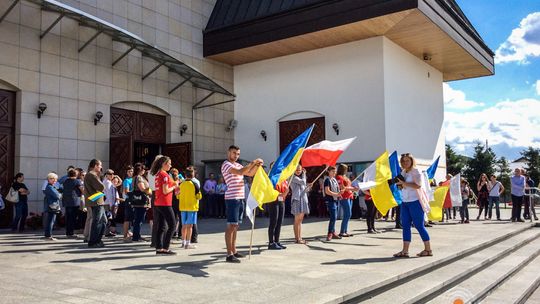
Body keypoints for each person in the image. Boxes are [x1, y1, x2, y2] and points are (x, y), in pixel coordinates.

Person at [221, 145, 262, 263]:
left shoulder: (238, 164)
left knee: (236, 226)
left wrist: (257, 165)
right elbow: (240, 172)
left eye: (238, 154)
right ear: (229, 152)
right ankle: (229, 254)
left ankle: (234, 250)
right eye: (234, 153)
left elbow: (250, 173)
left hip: (240, 197)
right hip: (232, 198)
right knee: (231, 226)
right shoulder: (226, 164)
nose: (236, 155)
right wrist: (252, 162)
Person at [393, 153, 432, 258]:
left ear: (412, 161)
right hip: (405, 202)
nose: (405, 163)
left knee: (419, 225)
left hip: (415, 202)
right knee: (405, 226)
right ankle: (405, 251)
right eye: (403, 161)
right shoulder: (403, 171)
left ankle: (428, 249)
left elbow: (418, 185)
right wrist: (399, 185)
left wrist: (404, 183)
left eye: (407, 161)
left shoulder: (416, 171)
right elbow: (404, 186)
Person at [150, 156, 179, 255]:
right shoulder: (164, 175)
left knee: (161, 226)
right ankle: (166, 248)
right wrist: (175, 185)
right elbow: (165, 190)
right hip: (165, 203)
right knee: (172, 225)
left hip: (158, 202)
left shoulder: (158, 174)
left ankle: (159, 248)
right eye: (169, 164)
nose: (170, 166)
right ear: (164, 164)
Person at [84, 159, 107, 248]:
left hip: (97, 200)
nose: (101, 167)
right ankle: (93, 241)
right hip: (95, 201)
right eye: (100, 165)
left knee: (103, 221)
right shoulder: (91, 175)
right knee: (97, 221)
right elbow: (101, 187)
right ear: (95, 165)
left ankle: (97, 240)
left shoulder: (92, 175)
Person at [267, 161, 289, 250]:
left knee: (280, 221)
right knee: (274, 221)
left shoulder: (282, 178)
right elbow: (269, 189)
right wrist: (279, 194)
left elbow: (286, 189)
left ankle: (277, 241)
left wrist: (285, 193)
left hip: (281, 201)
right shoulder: (271, 177)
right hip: (273, 201)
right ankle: (271, 242)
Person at [178, 167, 202, 249]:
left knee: (183, 225)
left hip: (182, 206)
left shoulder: (181, 184)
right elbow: (199, 196)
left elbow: (177, 196)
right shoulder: (195, 184)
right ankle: (188, 243)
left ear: (185, 175)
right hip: (192, 207)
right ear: (193, 175)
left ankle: (183, 242)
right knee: (190, 226)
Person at [290, 165, 310, 244]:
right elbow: (303, 182)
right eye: (297, 170)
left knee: (300, 221)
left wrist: (308, 188)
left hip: (303, 199)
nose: (299, 171)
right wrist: (304, 174)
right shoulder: (292, 177)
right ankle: (297, 238)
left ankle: (299, 237)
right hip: (297, 200)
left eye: (300, 170)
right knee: (297, 220)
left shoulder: (301, 178)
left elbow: (303, 189)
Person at [131, 163, 151, 242]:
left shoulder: (135, 177)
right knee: (139, 219)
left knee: (138, 219)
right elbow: (142, 189)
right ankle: (136, 236)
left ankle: (137, 235)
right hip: (140, 201)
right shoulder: (139, 177)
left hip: (138, 201)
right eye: (143, 169)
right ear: (140, 170)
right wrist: (150, 191)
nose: (144, 170)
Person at [62, 169, 83, 238]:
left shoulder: (65, 181)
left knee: (68, 217)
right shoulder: (77, 181)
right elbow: (82, 190)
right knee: (73, 217)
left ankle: (68, 232)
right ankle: (71, 233)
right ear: (76, 174)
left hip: (66, 201)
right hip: (74, 201)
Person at [324, 166, 343, 241]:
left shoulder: (334, 180)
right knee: (333, 217)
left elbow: (337, 190)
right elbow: (327, 191)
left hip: (336, 200)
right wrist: (336, 194)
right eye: (333, 171)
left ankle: (333, 232)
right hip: (330, 200)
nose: (334, 173)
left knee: (334, 217)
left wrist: (339, 194)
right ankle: (330, 233)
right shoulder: (327, 180)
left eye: (335, 171)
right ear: (328, 171)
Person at [336, 164, 356, 237]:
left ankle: (345, 231)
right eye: (346, 169)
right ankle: (342, 232)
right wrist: (352, 189)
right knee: (347, 214)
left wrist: (353, 189)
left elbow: (348, 186)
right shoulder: (339, 177)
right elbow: (342, 187)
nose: (347, 170)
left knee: (348, 214)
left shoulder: (345, 177)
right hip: (344, 197)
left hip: (350, 196)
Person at [43, 173, 61, 241]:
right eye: (53, 179)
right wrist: (59, 194)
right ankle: (48, 236)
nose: (55, 180)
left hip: (50, 205)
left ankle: (47, 235)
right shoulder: (50, 187)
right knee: (51, 221)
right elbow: (58, 196)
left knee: (49, 220)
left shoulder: (48, 186)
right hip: (52, 205)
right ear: (49, 179)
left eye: (56, 179)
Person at [102, 169, 119, 237]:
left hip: (107, 202)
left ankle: (107, 231)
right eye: (110, 174)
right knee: (108, 217)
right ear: (106, 175)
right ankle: (106, 232)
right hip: (108, 203)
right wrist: (112, 204)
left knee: (108, 217)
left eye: (113, 174)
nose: (112, 175)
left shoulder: (106, 181)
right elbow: (109, 195)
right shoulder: (108, 182)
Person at [121, 165, 134, 242]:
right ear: (126, 172)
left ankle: (129, 232)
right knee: (127, 218)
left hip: (133, 200)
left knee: (131, 219)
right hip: (128, 200)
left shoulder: (133, 179)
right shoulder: (126, 181)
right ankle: (125, 236)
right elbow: (126, 191)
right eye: (129, 171)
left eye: (132, 171)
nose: (131, 173)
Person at [170, 168, 182, 239]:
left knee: (174, 218)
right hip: (179, 201)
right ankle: (180, 233)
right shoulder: (180, 182)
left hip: (172, 201)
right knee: (180, 218)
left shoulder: (171, 182)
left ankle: (173, 232)